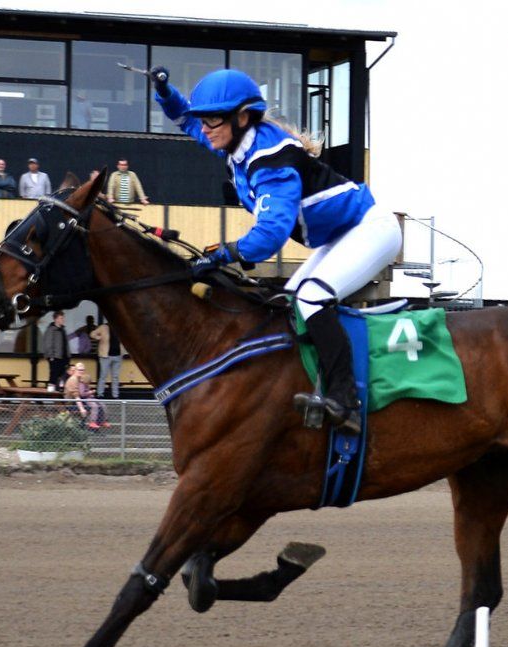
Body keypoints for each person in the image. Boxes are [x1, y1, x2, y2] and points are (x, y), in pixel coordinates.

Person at [151, 66, 402, 433]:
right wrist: (164, 92)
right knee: (289, 303)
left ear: (241, 117)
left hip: (371, 230)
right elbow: (189, 124)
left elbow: (270, 234)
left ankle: (346, 401)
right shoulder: (236, 138)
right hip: (342, 235)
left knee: (311, 299)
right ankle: (313, 388)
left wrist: (223, 253)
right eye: (204, 119)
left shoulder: (271, 164)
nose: (205, 128)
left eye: (212, 120)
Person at [63, 362, 106, 429]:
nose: (81, 371)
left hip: (80, 400)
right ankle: (92, 424)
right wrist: (81, 408)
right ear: (75, 370)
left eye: (83, 370)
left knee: (100, 405)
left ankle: (100, 423)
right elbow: (76, 396)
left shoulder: (80, 378)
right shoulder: (73, 379)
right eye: (79, 370)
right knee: (94, 406)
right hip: (72, 403)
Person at [90, 319, 123, 399]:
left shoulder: (120, 327)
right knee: (103, 375)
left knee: (115, 377)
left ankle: (115, 395)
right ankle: (100, 394)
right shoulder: (104, 327)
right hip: (105, 356)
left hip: (118, 355)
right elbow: (92, 334)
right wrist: (98, 337)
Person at [42, 311, 70, 390]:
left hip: (63, 357)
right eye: (61, 318)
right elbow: (48, 343)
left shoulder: (63, 330)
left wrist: (68, 355)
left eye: (63, 318)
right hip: (55, 357)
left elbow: (66, 344)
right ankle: (50, 393)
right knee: (54, 375)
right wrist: (51, 356)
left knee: (62, 375)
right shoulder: (51, 330)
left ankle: (59, 392)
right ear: (56, 319)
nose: (63, 320)